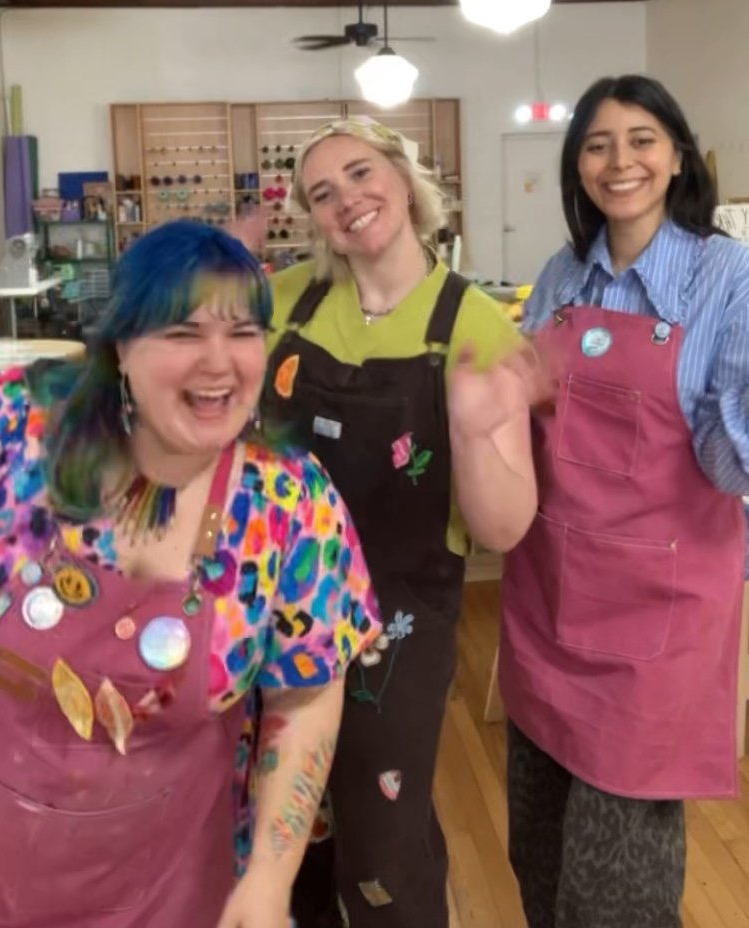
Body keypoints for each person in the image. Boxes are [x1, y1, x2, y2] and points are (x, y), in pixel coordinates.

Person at [0, 219, 381, 928]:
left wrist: (269, 876)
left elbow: (304, 696)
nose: (219, 362)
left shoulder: (287, 502)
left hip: (181, 891)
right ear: (121, 347)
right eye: (183, 333)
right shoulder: (21, 433)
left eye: (243, 332)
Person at [247, 115, 539, 928]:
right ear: (314, 219)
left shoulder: (476, 325)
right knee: (285, 819)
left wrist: (475, 429)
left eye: (360, 173)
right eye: (322, 193)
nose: (346, 199)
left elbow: (506, 528)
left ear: (405, 182)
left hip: (400, 614)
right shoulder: (282, 301)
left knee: (381, 832)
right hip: (280, 601)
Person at [499, 74, 749, 928]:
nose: (620, 162)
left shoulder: (727, 277)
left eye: (642, 140)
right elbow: (526, 419)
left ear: (678, 157)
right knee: (536, 852)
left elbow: (724, 464)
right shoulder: (561, 275)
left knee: (616, 893)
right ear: (578, 166)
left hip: (656, 619)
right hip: (548, 597)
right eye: (598, 145)